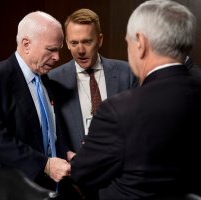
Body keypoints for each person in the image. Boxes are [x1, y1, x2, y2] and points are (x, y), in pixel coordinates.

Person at [70, 1, 201, 199]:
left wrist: (79, 161)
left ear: (140, 42)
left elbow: (83, 174)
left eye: (127, 42)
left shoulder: (118, 110)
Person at [0, 11, 71, 192]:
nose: (57, 57)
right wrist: (45, 164)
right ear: (26, 44)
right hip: (7, 189)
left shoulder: (45, 80)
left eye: (59, 50)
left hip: (46, 188)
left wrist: (65, 153)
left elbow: (50, 132)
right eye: (51, 49)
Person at [48, 8, 136, 152]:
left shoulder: (126, 73)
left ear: (100, 40)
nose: (80, 50)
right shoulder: (53, 80)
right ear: (67, 43)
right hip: (76, 168)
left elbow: (138, 124)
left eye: (87, 42)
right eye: (74, 43)